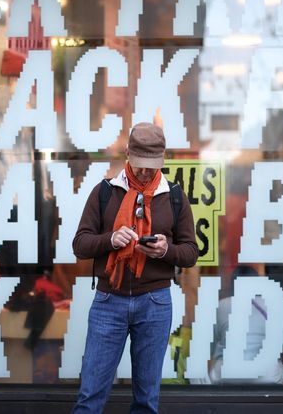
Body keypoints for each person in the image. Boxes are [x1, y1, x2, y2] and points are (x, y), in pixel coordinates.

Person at [71, 122, 198, 413]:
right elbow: (80, 245)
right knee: (89, 398)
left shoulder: (175, 197)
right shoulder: (104, 192)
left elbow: (190, 253)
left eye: (151, 166)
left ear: (162, 160)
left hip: (154, 302)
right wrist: (111, 240)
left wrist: (165, 250)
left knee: (146, 401)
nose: (144, 172)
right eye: (140, 164)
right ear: (127, 154)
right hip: (108, 301)